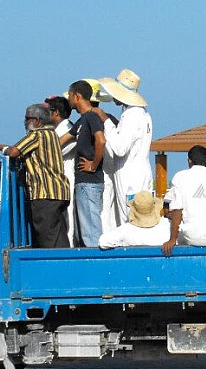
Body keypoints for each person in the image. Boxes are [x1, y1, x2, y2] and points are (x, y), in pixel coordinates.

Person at [0, 104, 70, 248]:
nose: (25, 123)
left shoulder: (37, 134)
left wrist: (3, 148)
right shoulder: (52, 134)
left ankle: (53, 268)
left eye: (27, 119)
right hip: (59, 192)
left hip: (45, 193)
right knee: (58, 236)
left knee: (48, 238)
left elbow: (15, 152)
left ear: (37, 121)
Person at [97, 69, 153, 226]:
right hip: (140, 169)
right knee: (141, 215)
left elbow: (120, 148)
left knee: (129, 217)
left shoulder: (132, 115)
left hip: (130, 174)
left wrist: (106, 121)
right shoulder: (141, 114)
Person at [162, 145, 206, 255]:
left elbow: (177, 210)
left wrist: (172, 240)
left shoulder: (180, 177)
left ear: (189, 161)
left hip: (192, 237)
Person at [65, 80, 106, 247]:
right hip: (83, 182)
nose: (68, 99)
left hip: (89, 181)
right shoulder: (82, 121)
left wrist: (93, 165)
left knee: (91, 231)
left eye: (69, 95)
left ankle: (97, 266)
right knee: (87, 228)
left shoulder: (91, 117)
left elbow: (101, 140)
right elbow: (61, 140)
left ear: (77, 96)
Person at [46, 95, 77, 245]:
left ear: (55, 112)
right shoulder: (56, 130)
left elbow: (52, 152)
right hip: (59, 180)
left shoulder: (68, 129)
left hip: (67, 177)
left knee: (68, 217)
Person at [98, 191, 171, 249]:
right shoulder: (168, 225)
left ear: (134, 210)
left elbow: (103, 242)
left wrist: (121, 243)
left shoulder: (126, 230)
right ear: (154, 207)